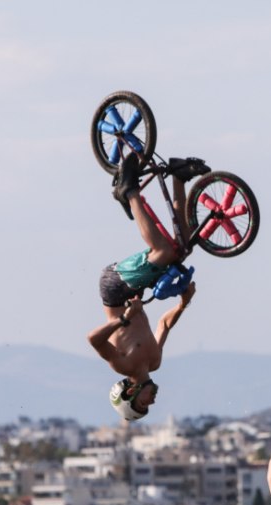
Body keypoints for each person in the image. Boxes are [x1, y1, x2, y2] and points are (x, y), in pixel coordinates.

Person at [86, 151, 209, 421]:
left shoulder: (122, 365)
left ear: (130, 392)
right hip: (135, 291)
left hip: (114, 290)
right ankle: (179, 178)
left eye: (143, 404)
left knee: (163, 251)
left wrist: (122, 321)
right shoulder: (154, 361)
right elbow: (163, 325)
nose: (151, 401)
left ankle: (129, 191)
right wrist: (183, 304)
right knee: (182, 248)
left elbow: (93, 339)